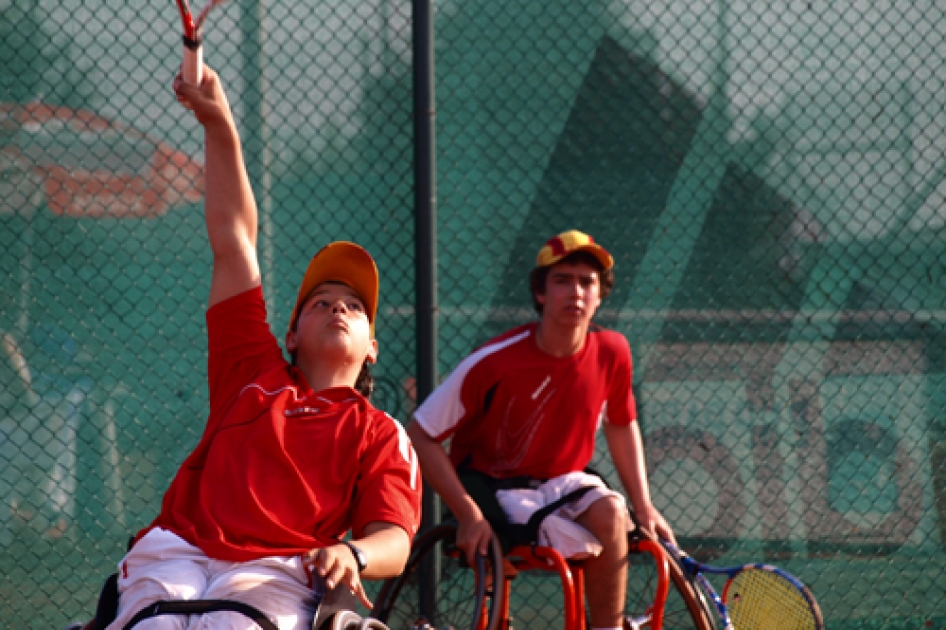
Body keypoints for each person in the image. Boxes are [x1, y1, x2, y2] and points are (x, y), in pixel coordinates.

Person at [105, 66, 422, 630]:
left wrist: (354, 554)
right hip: (178, 549)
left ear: (371, 347)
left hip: (278, 567)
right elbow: (233, 239)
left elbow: (395, 536)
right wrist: (219, 121)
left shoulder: (377, 432)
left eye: (353, 305)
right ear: (292, 334)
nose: (338, 307)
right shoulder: (252, 366)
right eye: (321, 300)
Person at [406, 229, 675, 630]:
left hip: (564, 481)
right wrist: (469, 513)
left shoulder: (613, 351)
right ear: (541, 294)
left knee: (614, 513)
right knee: (551, 546)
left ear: (600, 295)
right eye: (562, 280)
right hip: (490, 484)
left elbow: (621, 425)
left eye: (587, 282)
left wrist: (645, 504)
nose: (577, 292)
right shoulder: (494, 362)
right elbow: (420, 433)